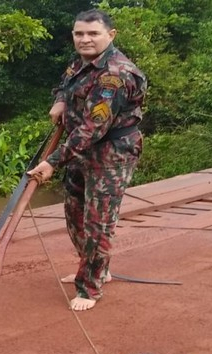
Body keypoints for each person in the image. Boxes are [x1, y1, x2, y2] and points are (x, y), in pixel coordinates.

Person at [28, 9, 147, 311]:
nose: (85, 39)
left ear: (111, 35)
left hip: (110, 152)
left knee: (98, 222)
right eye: (79, 33)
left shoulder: (115, 75)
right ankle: (94, 266)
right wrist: (59, 100)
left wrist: (53, 161)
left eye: (93, 34)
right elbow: (65, 83)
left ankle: (91, 287)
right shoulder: (80, 63)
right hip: (80, 150)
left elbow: (94, 128)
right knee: (75, 213)